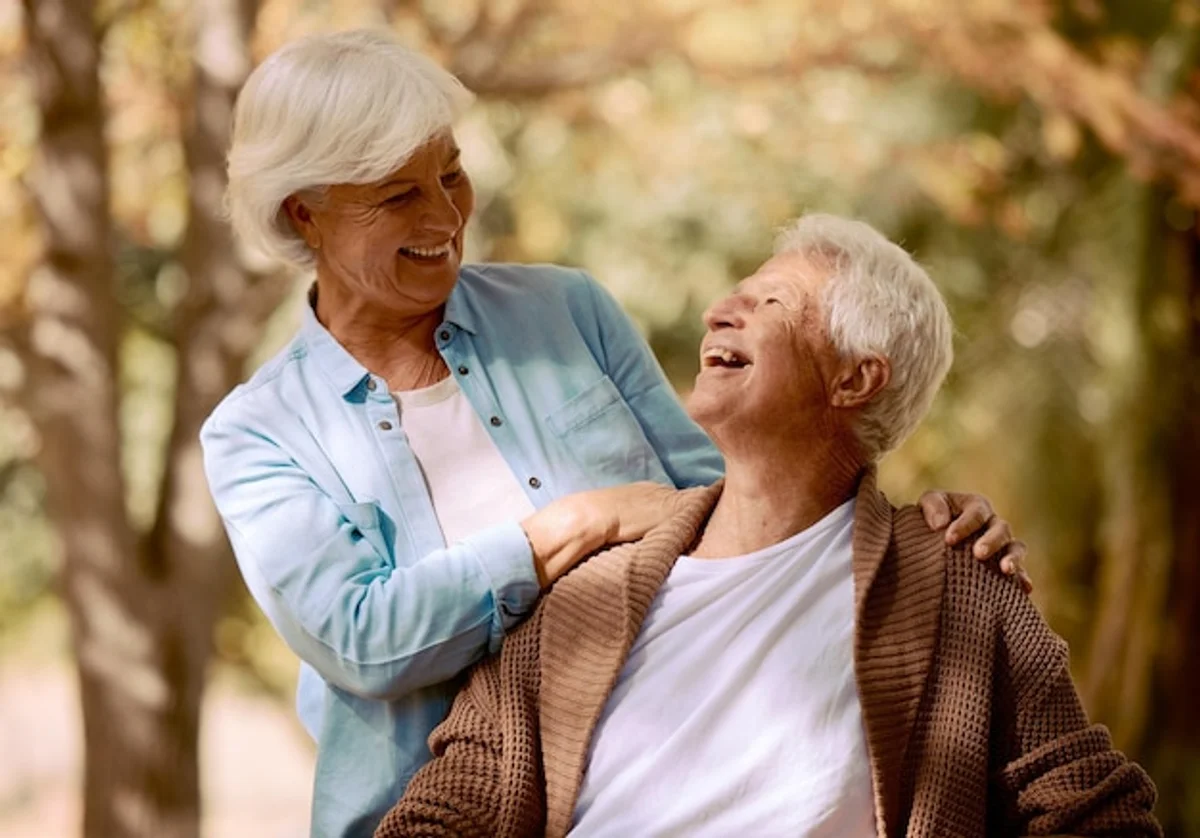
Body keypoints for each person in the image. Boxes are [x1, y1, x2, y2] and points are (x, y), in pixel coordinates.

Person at [201, 30, 1029, 837]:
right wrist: (572, 527)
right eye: (399, 195)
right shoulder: (257, 434)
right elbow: (365, 643)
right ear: (305, 214)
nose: (446, 214)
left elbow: (735, 502)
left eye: (452, 173)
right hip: (429, 809)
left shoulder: (565, 310)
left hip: (653, 783)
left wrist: (916, 534)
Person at [374, 214, 1161, 838]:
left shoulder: (956, 586)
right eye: (735, 297)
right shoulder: (591, 588)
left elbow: (1088, 808)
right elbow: (458, 796)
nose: (719, 311)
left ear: (854, 378)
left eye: (772, 303)